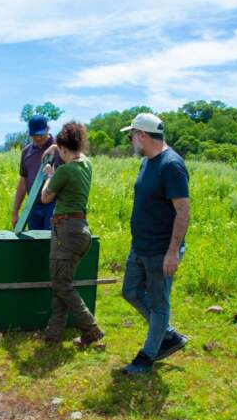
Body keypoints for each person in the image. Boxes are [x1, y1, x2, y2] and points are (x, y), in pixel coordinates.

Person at [119, 113, 190, 374]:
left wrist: (173, 252)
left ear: (142, 136)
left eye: (131, 136)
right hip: (140, 245)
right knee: (131, 291)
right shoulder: (147, 162)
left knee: (160, 303)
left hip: (161, 250)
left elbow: (183, 211)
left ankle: (146, 357)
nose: (131, 141)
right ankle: (168, 334)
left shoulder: (171, 165)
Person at [39, 121, 105, 346]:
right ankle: (53, 334)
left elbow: (45, 197)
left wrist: (49, 174)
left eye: (61, 150)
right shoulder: (87, 164)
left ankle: (91, 328)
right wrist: (54, 147)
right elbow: (70, 151)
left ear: (65, 149)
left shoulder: (64, 171)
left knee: (61, 285)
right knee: (62, 282)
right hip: (81, 230)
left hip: (65, 232)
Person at [11, 115, 60, 230]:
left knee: (51, 241)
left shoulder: (60, 148)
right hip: (33, 205)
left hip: (55, 205)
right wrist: (15, 211)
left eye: (40, 134)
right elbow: (23, 182)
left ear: (48, 129)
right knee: (34, 244)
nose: (37, 138)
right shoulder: (26, 152)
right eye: (34, 135)